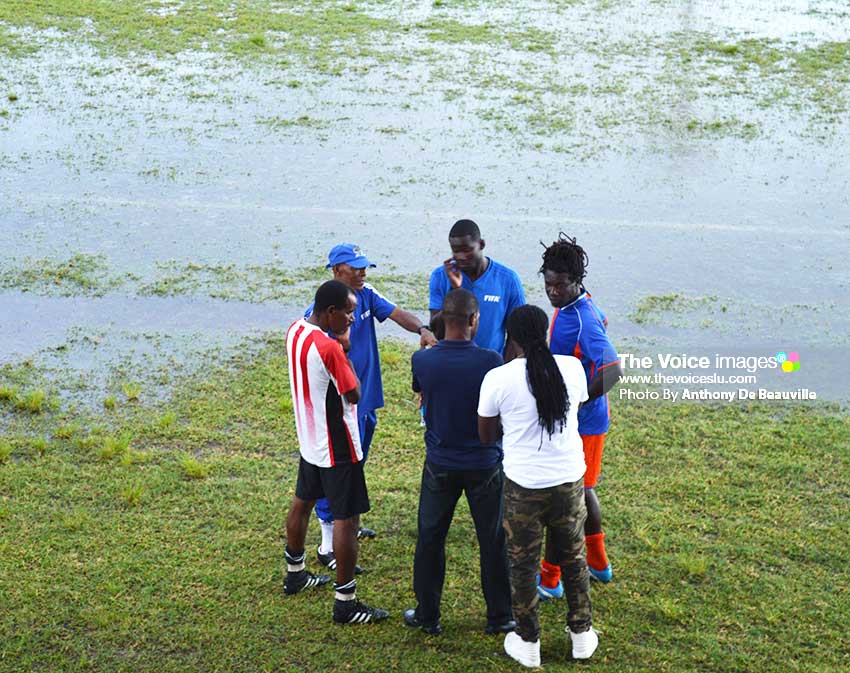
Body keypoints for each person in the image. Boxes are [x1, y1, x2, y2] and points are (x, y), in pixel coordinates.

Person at [478, 304, 599, 666]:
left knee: (522, 563)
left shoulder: (498, 378)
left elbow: (486, 436)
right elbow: (575, 404)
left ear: (510, 338)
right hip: (568, 481)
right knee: (574, 557)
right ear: (546, 332)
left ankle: (528, 642)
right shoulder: (573, 369)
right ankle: (581, 634)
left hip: (523, 486)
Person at [307, 243, 437, 572]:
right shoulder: (323, 312)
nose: (363, 273)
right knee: (336, 472)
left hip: (365, 404)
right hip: (341, 407)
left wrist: (422, 328)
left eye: (365, 267)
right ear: (337, 271)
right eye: (356, 268)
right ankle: (327, 544)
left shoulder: (366, 293)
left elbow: (396, 314)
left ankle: (347, 524)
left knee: (354, 466)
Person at [404, 288, 515, 636]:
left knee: (431, 538)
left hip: (440, 463)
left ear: (444, 321)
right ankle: (500, 616)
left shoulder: (422, 360)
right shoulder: (490, 361)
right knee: (493, 539)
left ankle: (428, 615)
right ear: (473, 320)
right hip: (484, 463)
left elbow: (421, 390)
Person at [283, 280, 389, 625]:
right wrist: (344, 349)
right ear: (330, 312)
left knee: (302, 502)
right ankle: (346, 601)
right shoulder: (329, 348)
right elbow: (354, 393)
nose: (353, 319)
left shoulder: (295, 331)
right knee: (347, 518)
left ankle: (295, 573)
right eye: (348, 312)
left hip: (309, 439)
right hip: (338, 446)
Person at [537, 233, 623, 599]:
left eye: (561, 285)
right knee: (578, 494)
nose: (553, 291)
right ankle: (599, 565)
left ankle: (552, 580)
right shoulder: (572, 308)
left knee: (574, 497)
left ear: (577, 282)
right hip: (572, 422)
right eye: (548, 284)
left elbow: (614, 368)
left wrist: (578, 399)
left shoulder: (583, 318)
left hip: (585, 424)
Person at [429, 219, 525, 354]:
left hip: (492, 366)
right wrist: (455, 290)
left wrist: (503, 368)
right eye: (456, 251)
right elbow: (438, 331)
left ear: (481, 244)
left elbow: (517, 334)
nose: (461, 257)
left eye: (467, 250)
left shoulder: (508, 279)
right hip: (451, 362)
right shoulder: (440, 276)